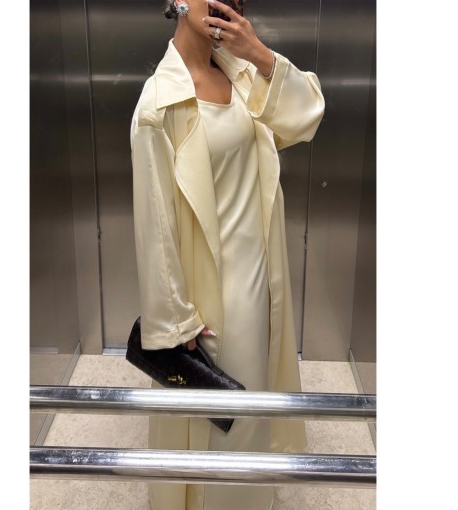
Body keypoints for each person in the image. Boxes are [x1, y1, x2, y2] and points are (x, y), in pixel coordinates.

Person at [130, 1, 325, 508]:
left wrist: (259, 53)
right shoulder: (159, 104)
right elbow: (155, 224)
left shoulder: (241, 75)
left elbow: (305, 116)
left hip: (259, 277)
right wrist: (174, 321)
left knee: (253, 409)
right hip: (208, 295)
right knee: (218, 422)